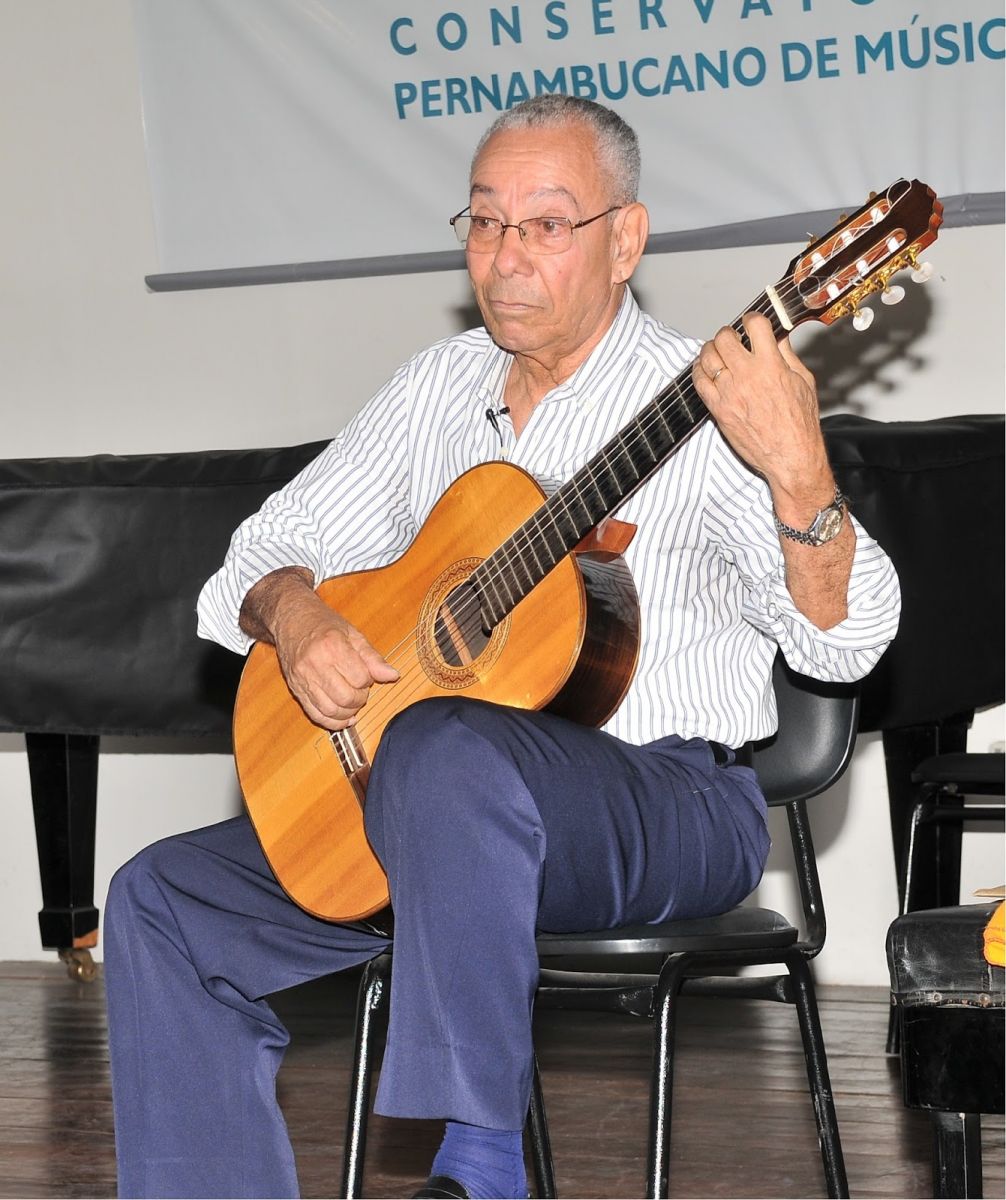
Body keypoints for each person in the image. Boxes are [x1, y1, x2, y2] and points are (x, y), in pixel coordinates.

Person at [104, 94, 900, 1200]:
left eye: (546, 224)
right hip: (435, 811)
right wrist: (300, 617)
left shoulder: (705, 406)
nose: (505, 255)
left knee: (442, 745)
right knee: (162, 900)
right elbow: (254, 555)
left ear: (626, 238)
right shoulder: (439, 388)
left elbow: (850, 643)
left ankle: (480, 1170)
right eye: (484, 223)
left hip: (666, 806)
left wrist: (799, 470)